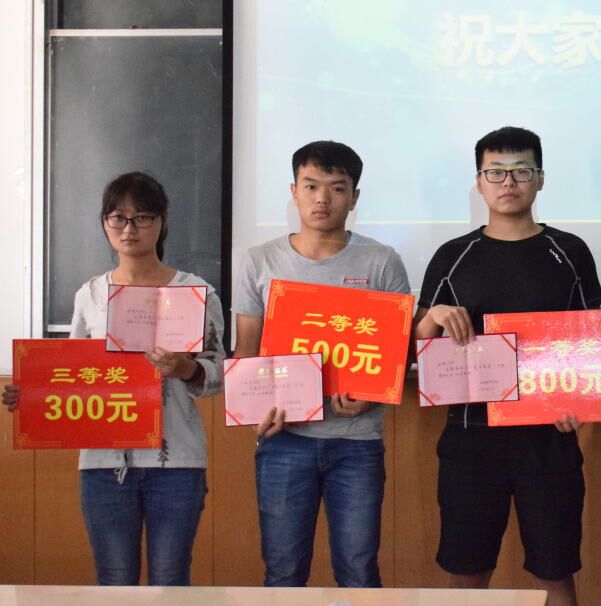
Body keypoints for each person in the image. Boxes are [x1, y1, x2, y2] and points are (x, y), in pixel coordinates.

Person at [3, 172, 225, 586]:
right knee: (114, 581)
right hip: (103, 465)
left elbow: (218, 374)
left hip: (176, 462)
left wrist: (185, 369)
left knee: (170, 581)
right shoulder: (90, 294)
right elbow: (71, 373)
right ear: (105, 223)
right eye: (118, 218)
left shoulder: (196, 293)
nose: (129, 229)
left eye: (142, 217)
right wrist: (31, 394)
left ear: (162, 220)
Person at [414, 126, 601, 606]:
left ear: (540, 179)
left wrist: (580, 403)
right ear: (479, 182)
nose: (508, 182)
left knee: (556, 572)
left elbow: (593, 341)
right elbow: (418, 341)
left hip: (549, 439)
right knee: (467, 572)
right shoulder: (453, 255)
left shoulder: (570, 251)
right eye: (495, 172)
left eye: (521, 171)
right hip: (470, 438)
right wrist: (433, 318)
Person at [232, 140, 410, 587]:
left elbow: (397, 354)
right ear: (294, 191)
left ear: (354, 196)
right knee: (283, 572)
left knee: (359, 572)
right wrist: (253, 413)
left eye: (337, 187)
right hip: (284, 441)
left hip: (357, 443)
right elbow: (246, 353)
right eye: (311, 186)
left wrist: (371, 397)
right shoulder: (260, 261)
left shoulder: (381, 261)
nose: (322, 198)